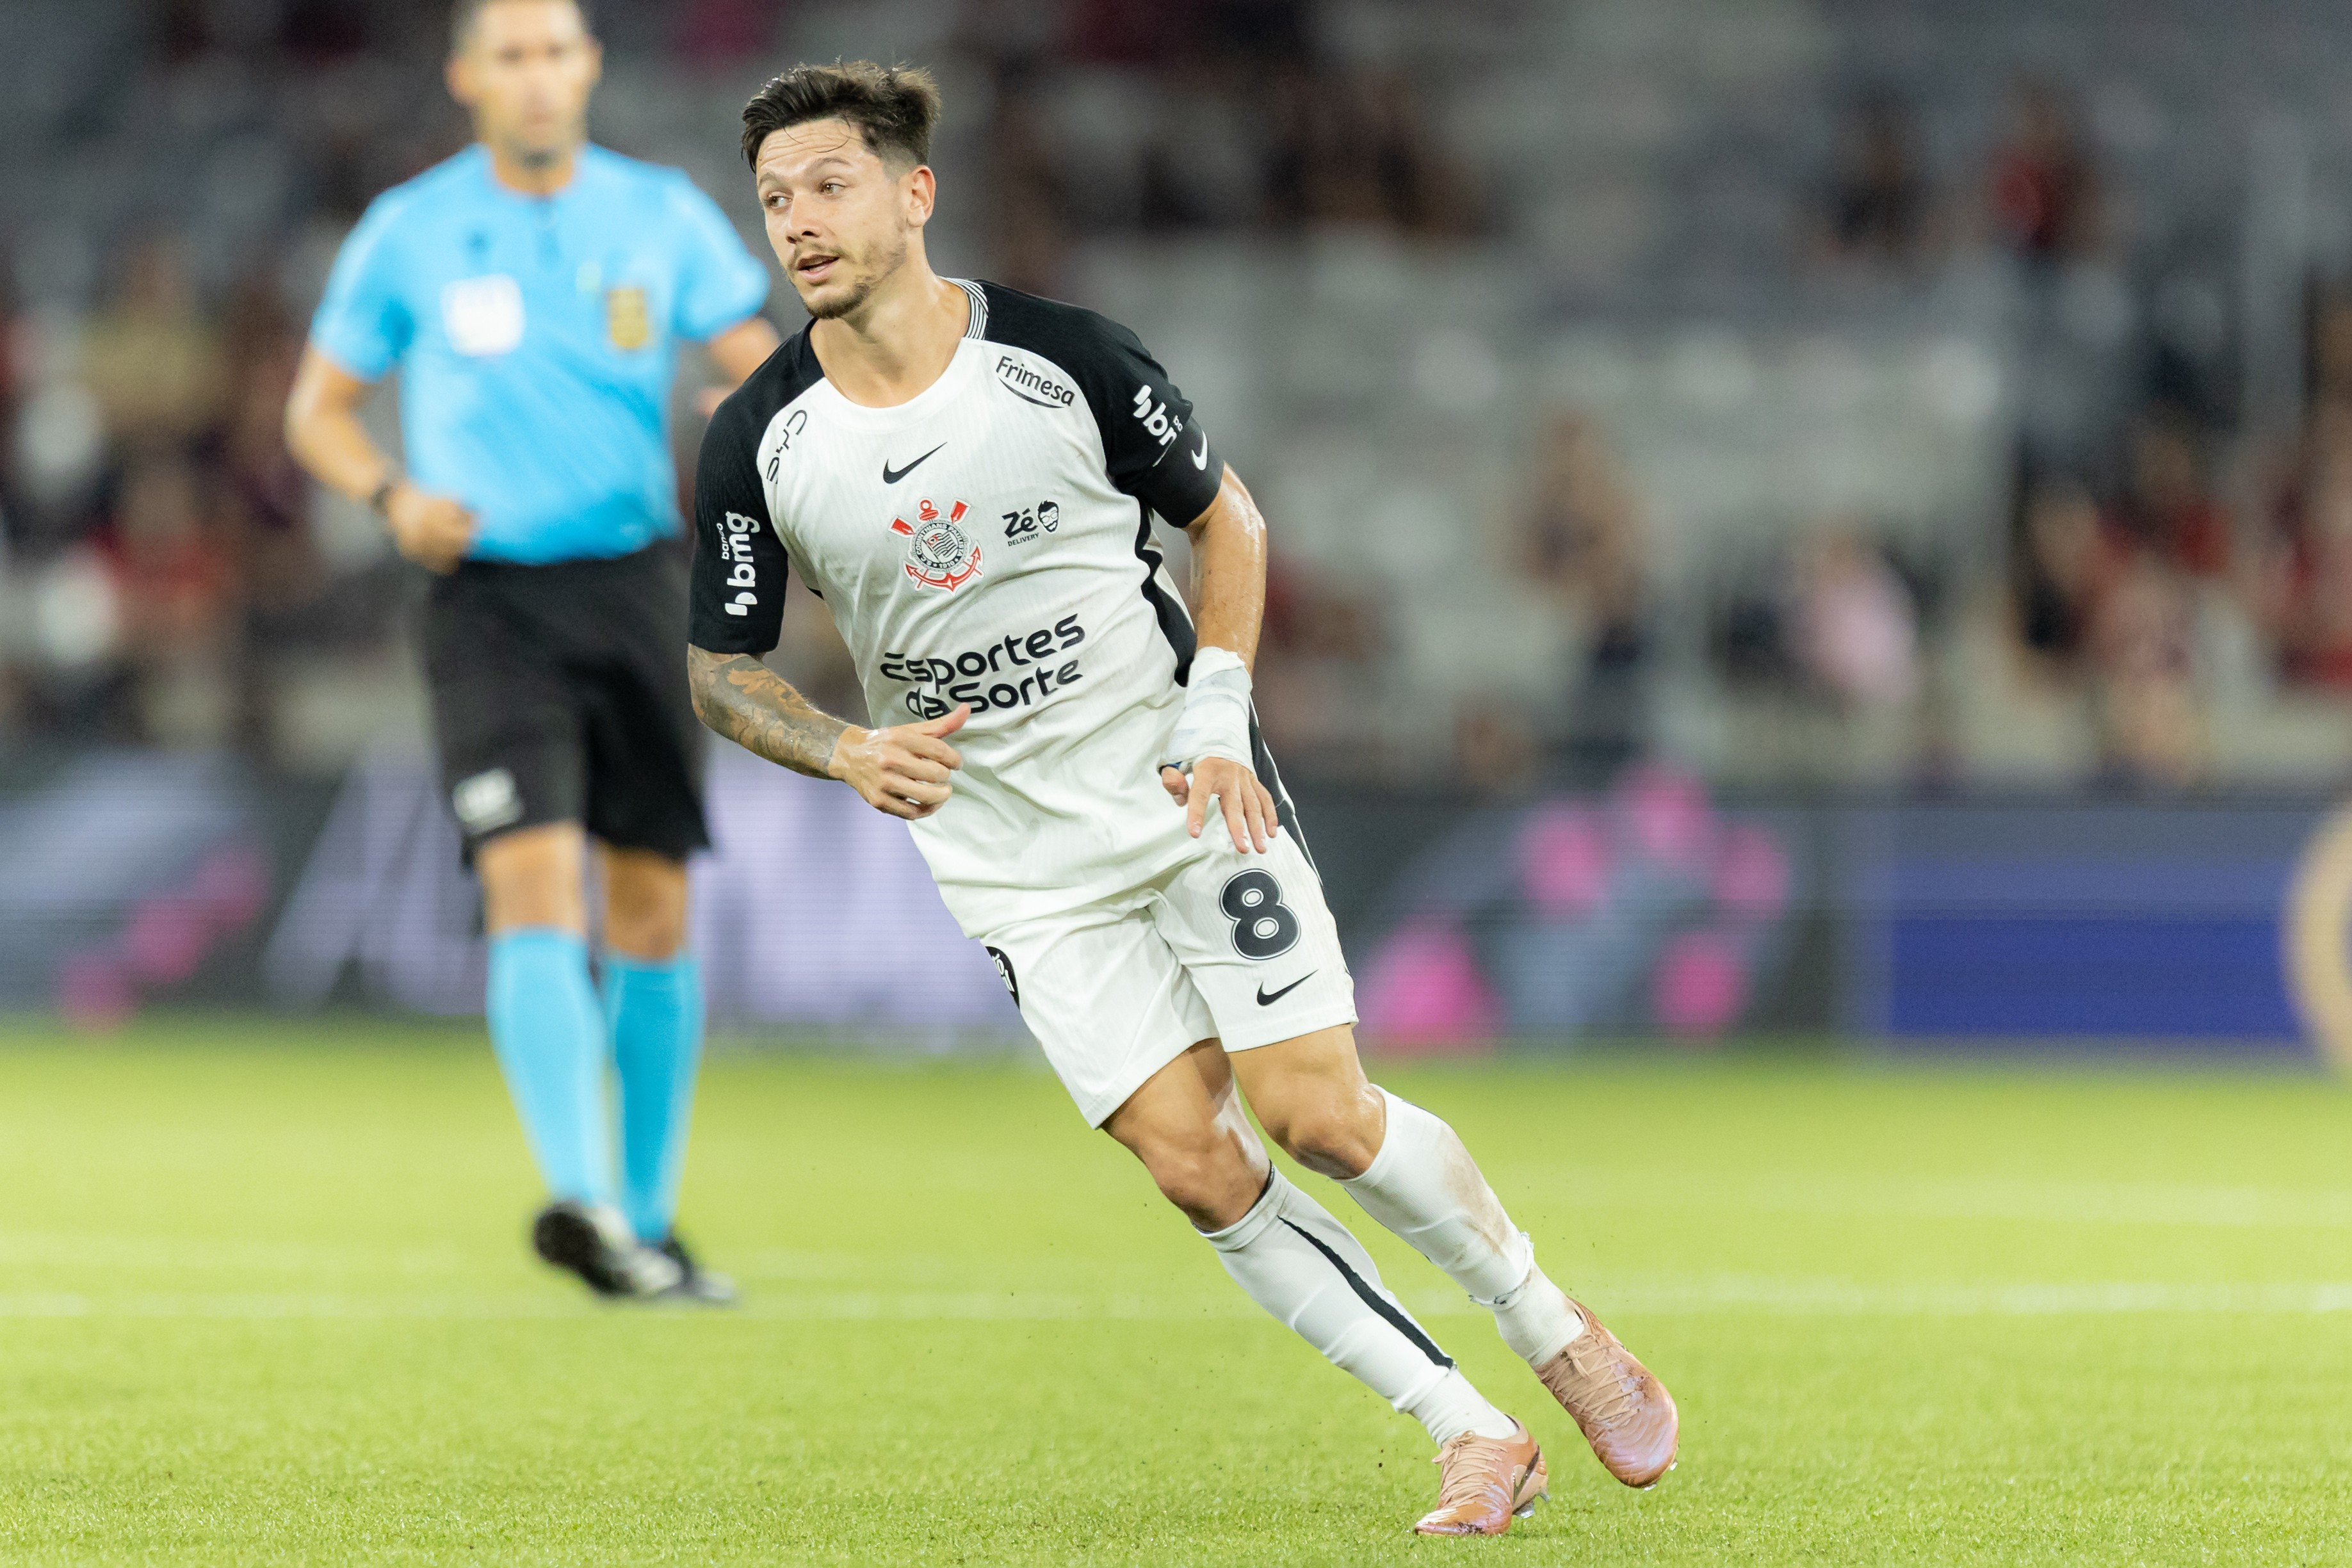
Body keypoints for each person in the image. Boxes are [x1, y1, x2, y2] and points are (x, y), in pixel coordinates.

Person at [686, 61, 1678, 1535]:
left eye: (829, 185)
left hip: (1177, 785)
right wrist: (841, 748)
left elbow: (1227, 521)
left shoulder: (1063, 358)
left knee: (1315, 1114)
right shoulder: (760, 438)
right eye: (775, 199)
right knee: (1194, 1162)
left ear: (916, 193)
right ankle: (1469, 1430)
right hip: (1010, 860)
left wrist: (1218, 711)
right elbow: (719, 668)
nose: (798, 222)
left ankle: (1553, 1328)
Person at [283, 0, 780, 1300]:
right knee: (532, 879)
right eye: (511, 55)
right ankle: (585, 1200)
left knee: (651, 901)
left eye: (556, 51)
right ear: (467, 77)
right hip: (484, 598)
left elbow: (764, 364)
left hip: (636, 582)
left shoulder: (659, 214)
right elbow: (317, 412)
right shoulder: (409, 230)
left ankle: (648, 1224)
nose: (538, 76)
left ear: (590, 66)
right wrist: (392, 495)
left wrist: (754, 405)